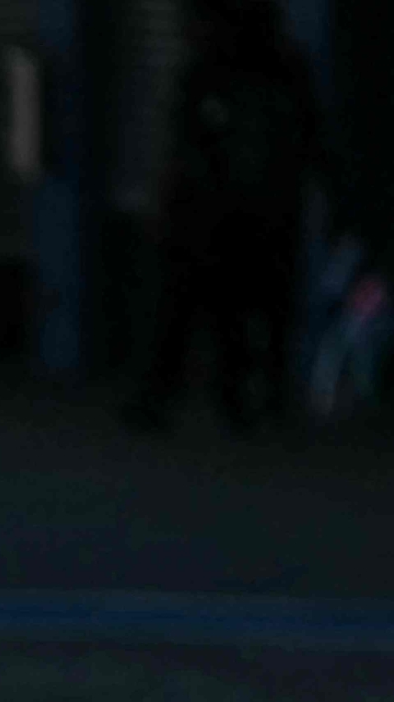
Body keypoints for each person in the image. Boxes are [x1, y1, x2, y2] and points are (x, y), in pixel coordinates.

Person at [123, 0, 323, 432]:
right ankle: (210, 398)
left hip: (237, 214)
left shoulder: (247, 69)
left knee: (223, 311)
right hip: (219, 215)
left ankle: (226, 398)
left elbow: (305, 136)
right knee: (205, 311)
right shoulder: (219, 69)